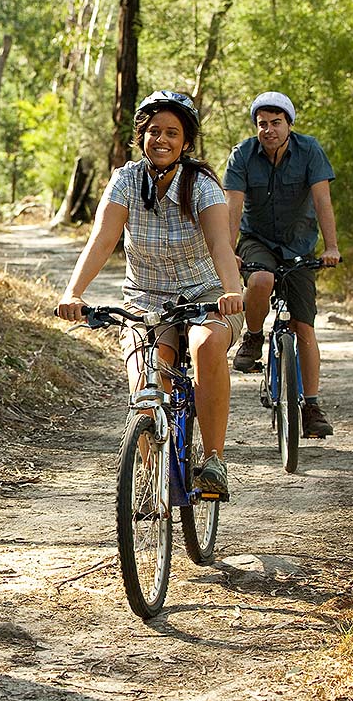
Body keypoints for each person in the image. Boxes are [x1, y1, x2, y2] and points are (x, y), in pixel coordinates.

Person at [56, 91, 245, 498]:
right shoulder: (125, 181)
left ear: (186, 142)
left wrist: (232, 291)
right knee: (146, 376)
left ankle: (213, 461)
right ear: (141, 137)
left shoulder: (202, 185)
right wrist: (74, 292)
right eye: (153, 131)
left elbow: (219, 244)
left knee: (207, 344)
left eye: (172, 133)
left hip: (207, 292)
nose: (162, 139)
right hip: (145, 298)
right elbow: (102, 240)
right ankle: (150, 474)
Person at [224, 91, 340, 438]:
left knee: (304, 327)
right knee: (259, 280)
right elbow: (232, 207)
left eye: (276, 123)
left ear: (289, 124)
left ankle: (312, 406)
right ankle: (254, 336)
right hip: (257, 240)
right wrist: (228, 251)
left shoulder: (309, 151)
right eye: (262, 124)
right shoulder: (243, 155)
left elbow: (322, 201)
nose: (269, 130)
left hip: (299, 243)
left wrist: (331, 247)